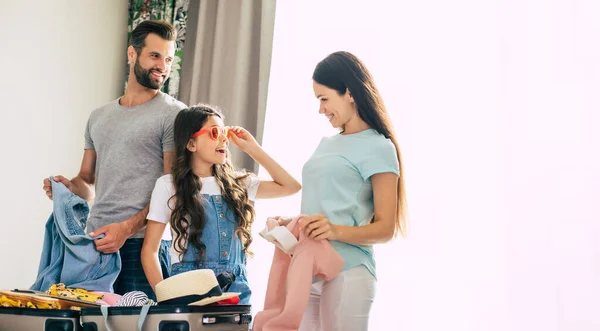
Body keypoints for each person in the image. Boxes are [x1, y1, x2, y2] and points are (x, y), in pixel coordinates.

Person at [41, 20, 186, 299]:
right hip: (93, 246)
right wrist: (68, 188)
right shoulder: (99, 116)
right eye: (155, 56)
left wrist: (127, 228)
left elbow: (174, 187)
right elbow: (87, 181)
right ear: (132, 54)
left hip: (142, 247)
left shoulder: (174, 114)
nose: (163, 66)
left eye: (168, 59)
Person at [141, 104, 301, 304]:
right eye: (215, 132)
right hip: (188, 287)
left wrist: (251, 147)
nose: (224, 139)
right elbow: (150, 251)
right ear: (191, 144)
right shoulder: (169, 185)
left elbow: (291, 186)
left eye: (224, 132)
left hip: (236, 289)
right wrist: (166, 297)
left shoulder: (239, 184)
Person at [294, 51, 408, 330]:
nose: (321, 109)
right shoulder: (325, 144)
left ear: (350, 93)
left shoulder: (379, 147)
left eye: (324, 99)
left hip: (348, 272)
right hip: (308, 271)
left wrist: (333, 230)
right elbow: (321, 206)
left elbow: (385, 228)